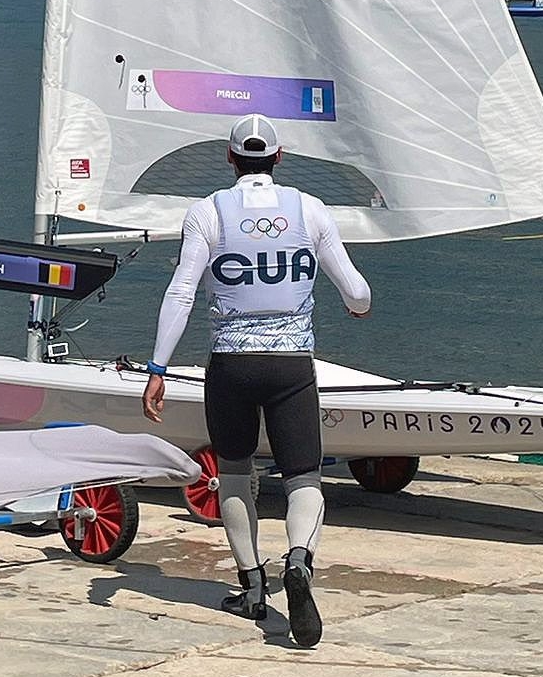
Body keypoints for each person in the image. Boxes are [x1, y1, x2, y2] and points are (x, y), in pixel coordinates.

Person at [141, 113, 371, 648]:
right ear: (279, 157)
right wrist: (356, 307)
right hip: (291, 366)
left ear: (229, 159)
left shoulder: (207, 212)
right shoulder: (309, 210)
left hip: (230, 366)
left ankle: (251, 587)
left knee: (236, 475)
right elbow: (357, 293)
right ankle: (299, 560)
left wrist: (157, 369)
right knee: (303, 479)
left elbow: (180, 292)